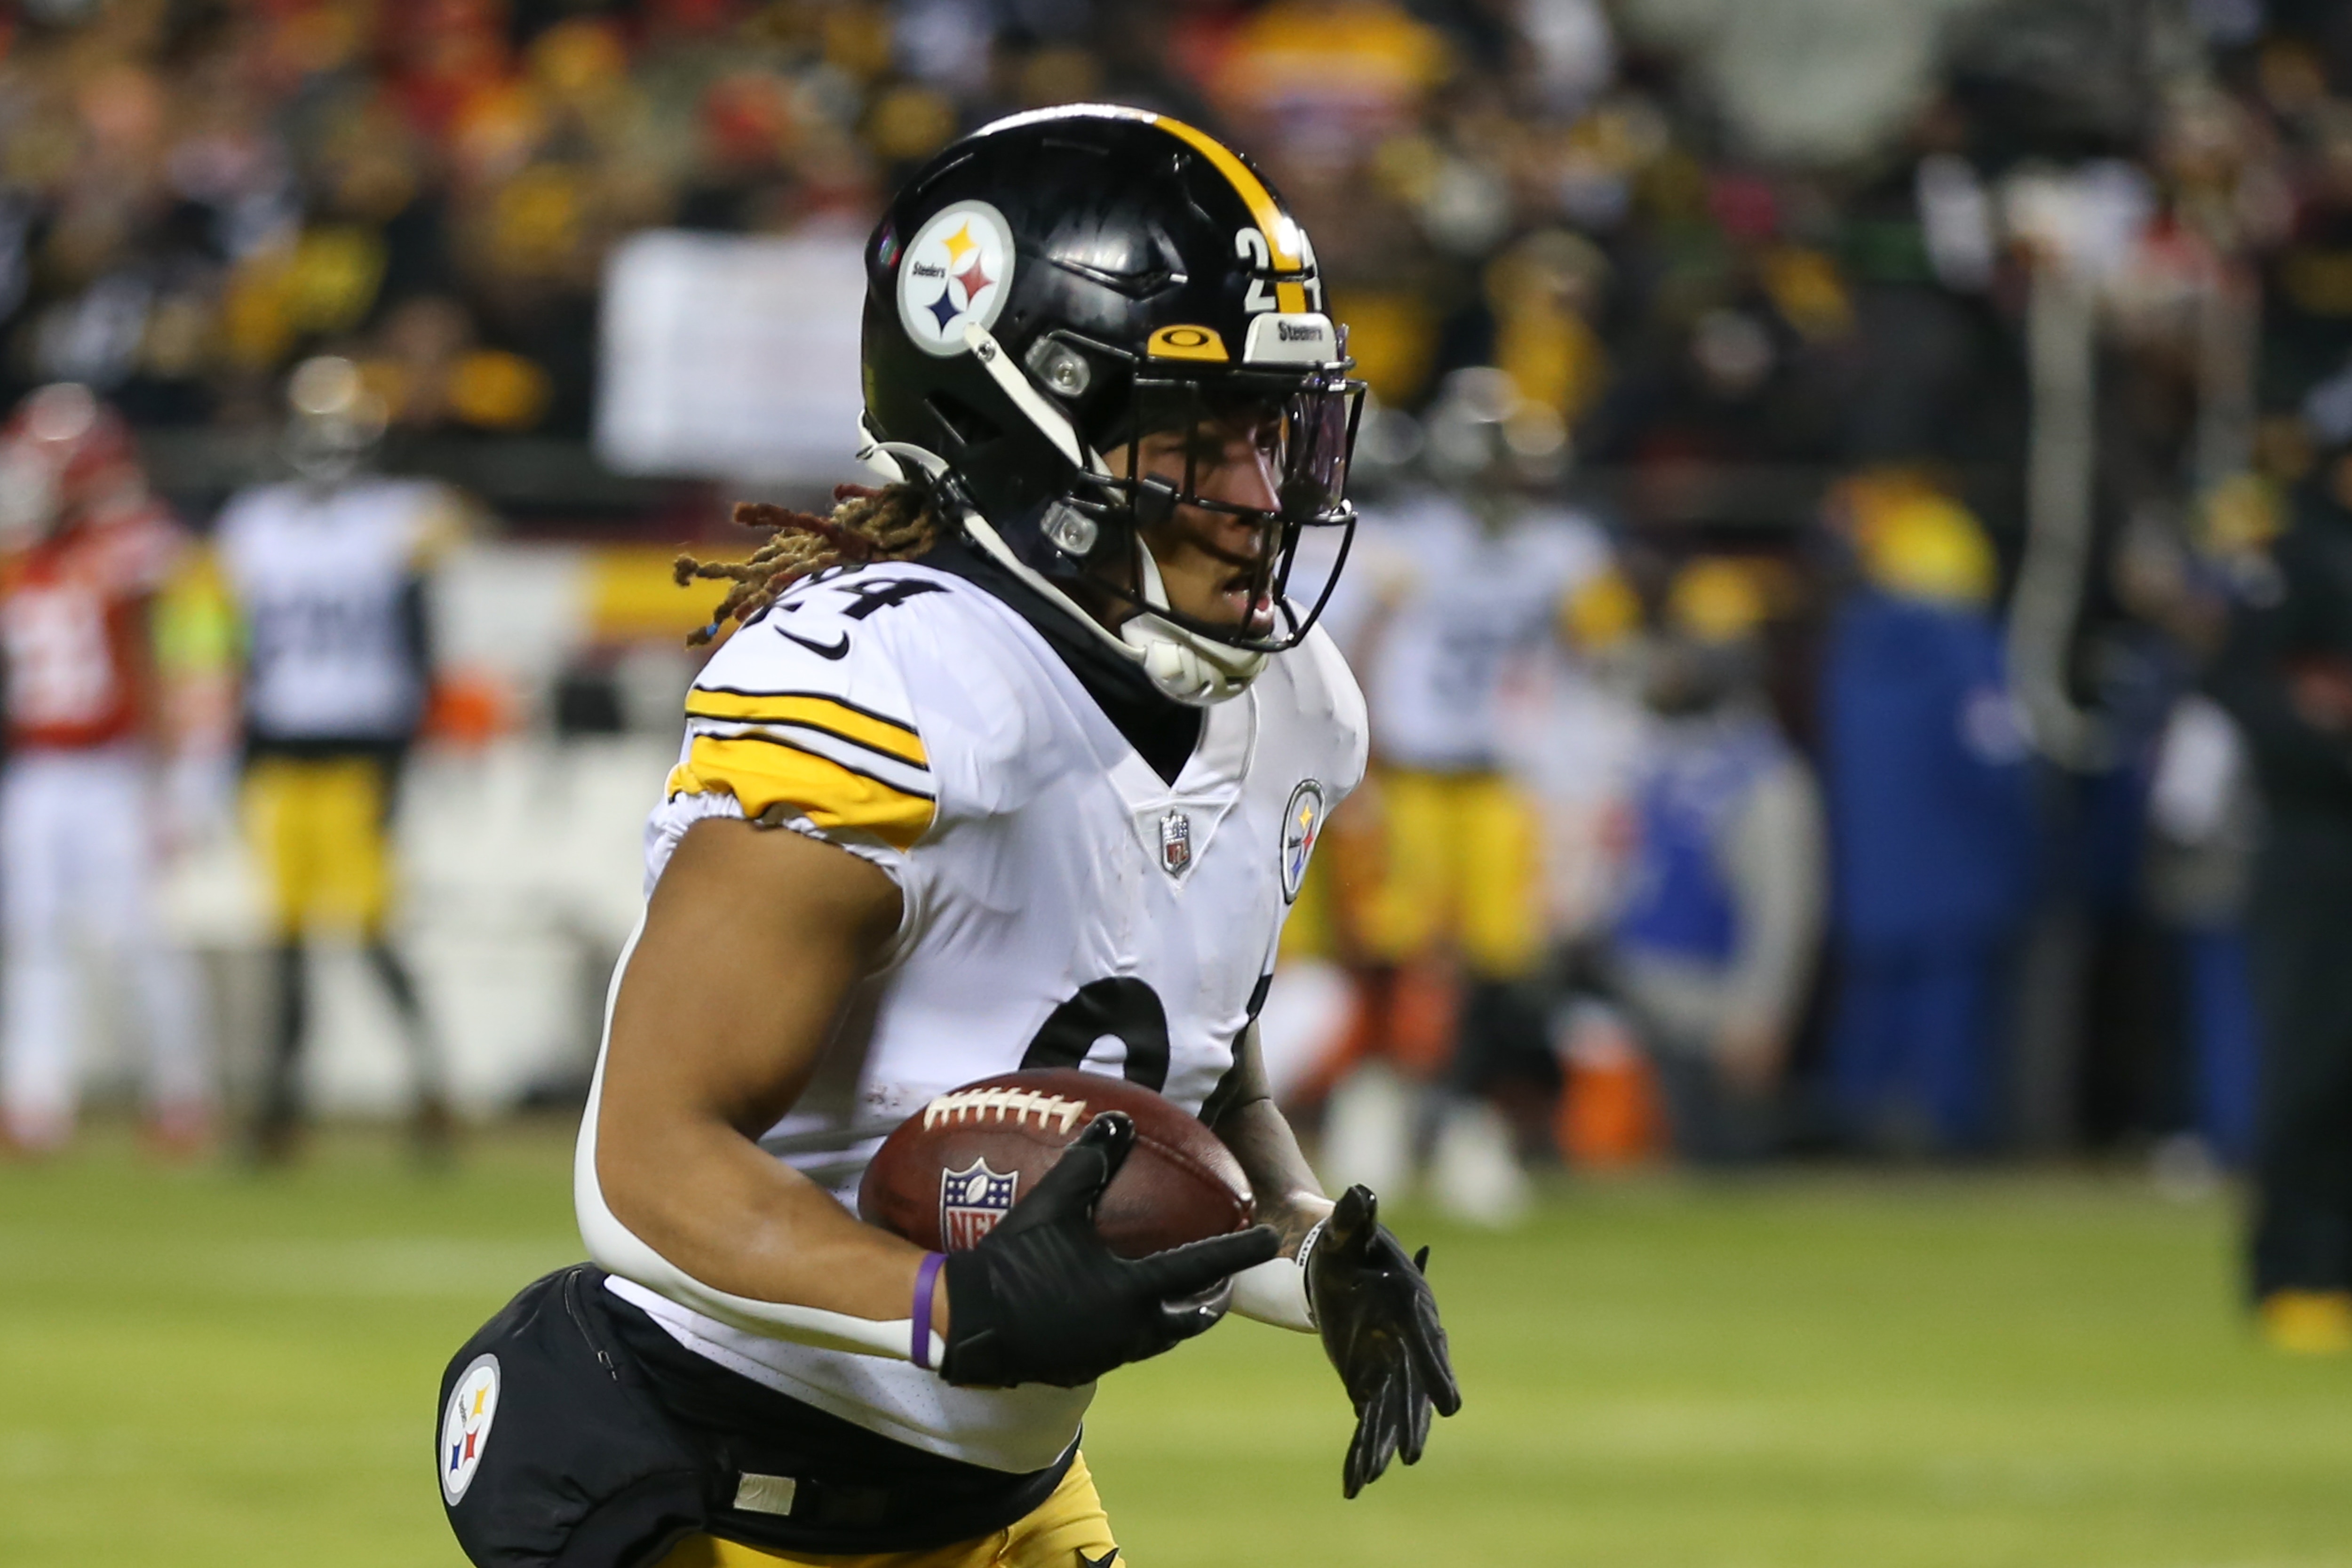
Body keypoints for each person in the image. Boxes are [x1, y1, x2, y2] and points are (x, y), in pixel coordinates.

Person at [437, 105, 1459, 1568]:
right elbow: (644, 1167)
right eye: (1196, 435)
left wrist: (1295, 1245)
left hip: (1002, 1503)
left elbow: (1171, 1052)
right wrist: (941, 1307)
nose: (1258, 493)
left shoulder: (1293, 706)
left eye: (1275, 430)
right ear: (1020, 420)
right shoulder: (896, 688)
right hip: (715, 1484)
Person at [1323, 366, 1604, 1224]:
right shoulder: (1402, 544)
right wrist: (1355, 766)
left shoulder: (1562, 550)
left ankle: (1466, 1128)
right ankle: (1373, 1112)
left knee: (1499, 966)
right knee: (1390, 954)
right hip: (1409, 771)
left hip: (1497, 777)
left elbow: (1587, 654)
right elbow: (1352, 650)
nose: (1502, 486)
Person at [213, 356, 462, 1164]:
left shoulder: (400, 516)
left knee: (369, 931)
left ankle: (430, 1092)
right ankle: (281, 1106)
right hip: (283, 747)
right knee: (285, 938)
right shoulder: (256, 523)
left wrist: (405, 755)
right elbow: (241, 653)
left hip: (362, 747)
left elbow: (421, 643)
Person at [0, 383, 215, 1154]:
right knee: (32, 939)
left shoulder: (133, 543)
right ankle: (34, 1101)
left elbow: (158, 664)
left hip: (114, 770)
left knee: (136, 939)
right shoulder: (22, 551)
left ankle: (181, 1094)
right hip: (35, 770)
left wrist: (175, 781)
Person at [1820, 489, 2037, 1154]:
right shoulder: (1966, 650)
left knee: (1873, 1011)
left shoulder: (1852, 646)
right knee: (1950, 1014)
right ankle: (1947, 1135)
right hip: (1960, 867)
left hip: (1871, 872)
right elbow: (1997, 758)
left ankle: (1856, 1131)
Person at [2207, 374, 2352, 1353]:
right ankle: (2293, 1272)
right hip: (2314, 841)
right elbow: (2244, 692)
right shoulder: (2296, 565)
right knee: (2309, 1062)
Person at [1605, 558, 1824, 1164]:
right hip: (1636, 992)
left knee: (1719, 1169)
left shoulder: (1762, 771)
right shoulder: (1660, 744)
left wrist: (1759, 1014)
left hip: (1712, 1010)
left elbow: (1783, 909)